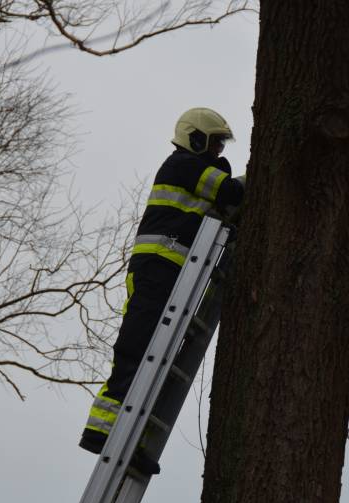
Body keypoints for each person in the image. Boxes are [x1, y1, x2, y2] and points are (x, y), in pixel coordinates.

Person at [79, 108, 245, 474]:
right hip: (156, 268)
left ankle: (129, 438)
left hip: (172, 271)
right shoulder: (183, 165)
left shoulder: (197, 168)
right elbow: (229, 193)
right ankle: (101, 430)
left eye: (220, 143)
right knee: (137, 349)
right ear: (195, 137)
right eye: (214, 141)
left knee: (158, 357)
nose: (218, 149)